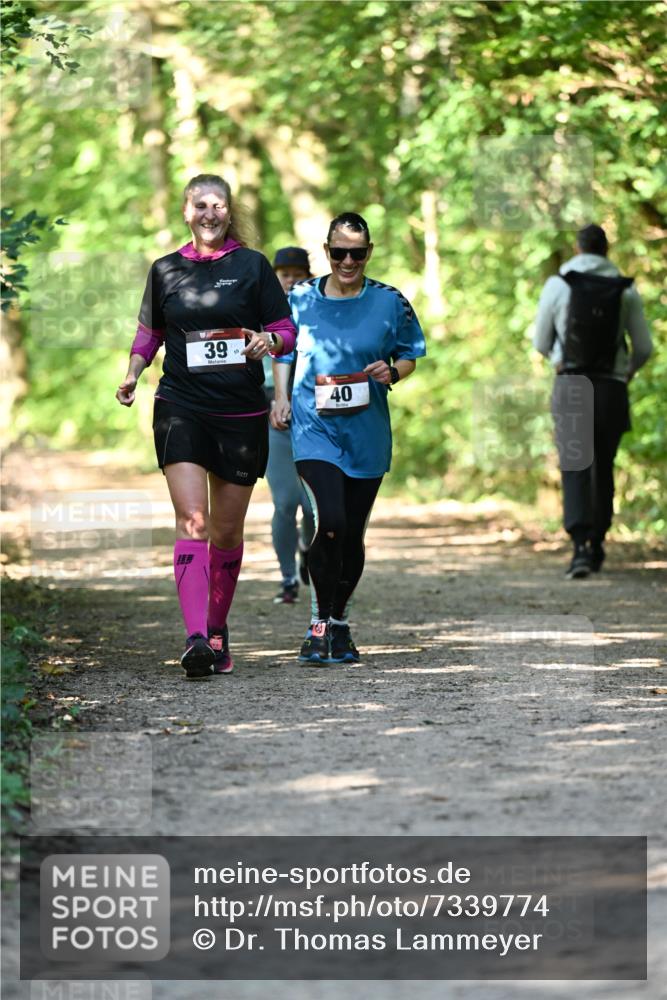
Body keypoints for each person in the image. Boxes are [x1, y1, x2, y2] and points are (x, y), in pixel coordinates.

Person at [116, 174, 296, 678]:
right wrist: (133, 373)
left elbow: (285, 331)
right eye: (200, 205)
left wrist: (269, 342)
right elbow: (149, 333)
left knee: (226, 530)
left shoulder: (252, 266)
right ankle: (195, 638)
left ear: (229, 211)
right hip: (182, 406)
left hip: (240, 414)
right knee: (192, 520)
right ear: (186, 211)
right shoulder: (165, 269)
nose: (209, 213)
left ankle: (217, 628)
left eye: (218, 205)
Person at [272, 212, 426, 663]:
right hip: (313, 428)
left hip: (366, 433)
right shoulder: (299, 298)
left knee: (352, 531)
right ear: (326, 251)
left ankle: (339, 622)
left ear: (369, 253)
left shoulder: (390, 301)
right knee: (331, 520)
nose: (347, 261)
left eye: (356, 254)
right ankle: (317, 623)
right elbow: (283, 351)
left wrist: (393, 371)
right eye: (339, 252)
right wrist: (280, 397)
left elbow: (410, 354)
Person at [534, 223, 652, 579]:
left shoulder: (558, 284)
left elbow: (540, 341)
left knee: (575, 465)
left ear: (578, 248)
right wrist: (625, 372)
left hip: (571, 383)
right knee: (604, 464)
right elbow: (643, 347)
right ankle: (599, 541)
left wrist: (558, 360)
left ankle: (579, 549)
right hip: (610, 388)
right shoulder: (625, 289)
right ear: (606, 249)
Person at [262, 247, 315, 604]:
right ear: (275, 277)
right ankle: (287, 578)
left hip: (314, 413)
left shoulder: (319, 312)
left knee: (312, 507)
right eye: (285, 274)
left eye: (299, 274)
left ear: (309, 276)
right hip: (272, 414)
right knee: (285, 502)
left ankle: (308, 552)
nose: (292, 280)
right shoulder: (259, 311)